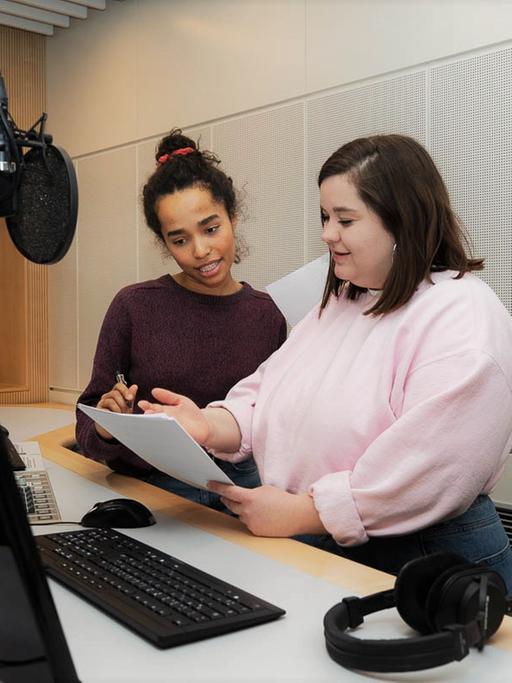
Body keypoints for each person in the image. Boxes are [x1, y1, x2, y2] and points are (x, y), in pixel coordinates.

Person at [139, 134, 512, 590]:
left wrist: (303, 512)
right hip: (332, 541)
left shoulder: (461, 315)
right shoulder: (344, 303)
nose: (327, 233)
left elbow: (429, 466)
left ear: (402, 221)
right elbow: (267, 392)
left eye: (345, 219)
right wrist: (208, 424)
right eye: (325, 216)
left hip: (430, 563)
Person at [75, 129, 287, 510]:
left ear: (233, 217)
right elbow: (88, 428)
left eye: (211, 229)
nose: (201, 250)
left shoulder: (267, 314)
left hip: (242, 495)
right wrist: (106, 428)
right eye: (180, 240)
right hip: (155, 496)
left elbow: (277, 427)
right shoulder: (134, 306)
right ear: (163, 242)